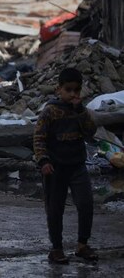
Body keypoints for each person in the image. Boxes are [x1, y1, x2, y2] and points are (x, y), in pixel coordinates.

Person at [34, 67, 98, 264]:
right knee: (55, 209)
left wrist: (80, 111)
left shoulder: (80, 111)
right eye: (68, 90)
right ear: (59, 89)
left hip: (77, 165)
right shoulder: (50, 111)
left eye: (76, 90)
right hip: (55, 168)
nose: (72, 94)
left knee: (86, 204)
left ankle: (82, 245)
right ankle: (56, 248)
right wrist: (44, 161)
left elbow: (90, 131)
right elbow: (39, 138)